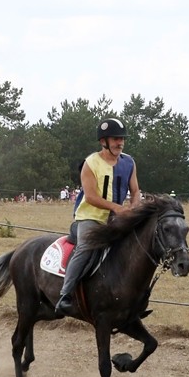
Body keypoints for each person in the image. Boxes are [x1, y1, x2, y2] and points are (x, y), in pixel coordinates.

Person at [53, 117, 140, 318]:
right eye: (116, 139)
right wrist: (117, 208)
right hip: (89, 217)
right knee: (85, 248)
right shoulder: (90, 163)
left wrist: (134, 209)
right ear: (103, 141)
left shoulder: (129, 162)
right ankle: (65, 295)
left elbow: (135, 191)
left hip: (118, 218)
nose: (120, 142)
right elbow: (91, 197)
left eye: (122, 139)